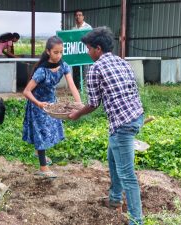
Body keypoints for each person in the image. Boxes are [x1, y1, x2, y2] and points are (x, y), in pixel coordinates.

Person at [69, 27, 144, 225]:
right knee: (112, 158)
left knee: (127, 174)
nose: (87, 52)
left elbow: (93, 103)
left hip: (122, 125)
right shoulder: (122, 61)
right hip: (136, 117)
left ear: (98, 48)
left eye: (88, 48)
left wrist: (77, 113)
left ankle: (136, 220)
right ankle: (115, 199)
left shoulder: (95, 68)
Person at [22, 36, 81, 178]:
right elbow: (26, 91)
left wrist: (79, 103)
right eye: (56, 52)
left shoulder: (64, 66)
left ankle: (38, 152)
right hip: (38, 104)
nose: (59, 55)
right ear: (48, 52)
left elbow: (72, 85)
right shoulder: (41, 71)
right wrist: (39, 104)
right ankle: (43, 169)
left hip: (51, 103)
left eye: (61, 52)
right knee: (42, 134)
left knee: (50, 130)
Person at [71, 10, 92, 90]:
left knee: (85, 72)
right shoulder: (73, 29)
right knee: (75, 72)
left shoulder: (88, 28)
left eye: (80, 15)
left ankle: (85, 90)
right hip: (76, 55)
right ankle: (77, 90)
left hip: (84, 54)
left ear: (83, 17)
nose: (78, 17)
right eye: (76, 15)